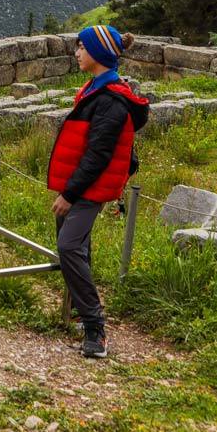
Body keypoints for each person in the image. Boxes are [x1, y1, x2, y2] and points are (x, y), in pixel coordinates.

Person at [46, 25, 148, 358]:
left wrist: (69, 194)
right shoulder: (94, 88)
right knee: (77, 246)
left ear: (98, 54)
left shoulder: (112, 100)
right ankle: (78, 310)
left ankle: (95, 327)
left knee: (69, 246)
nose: (76, 52)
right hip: (79, 183)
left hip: (90, 187)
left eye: (81, 47)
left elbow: (98, 155)